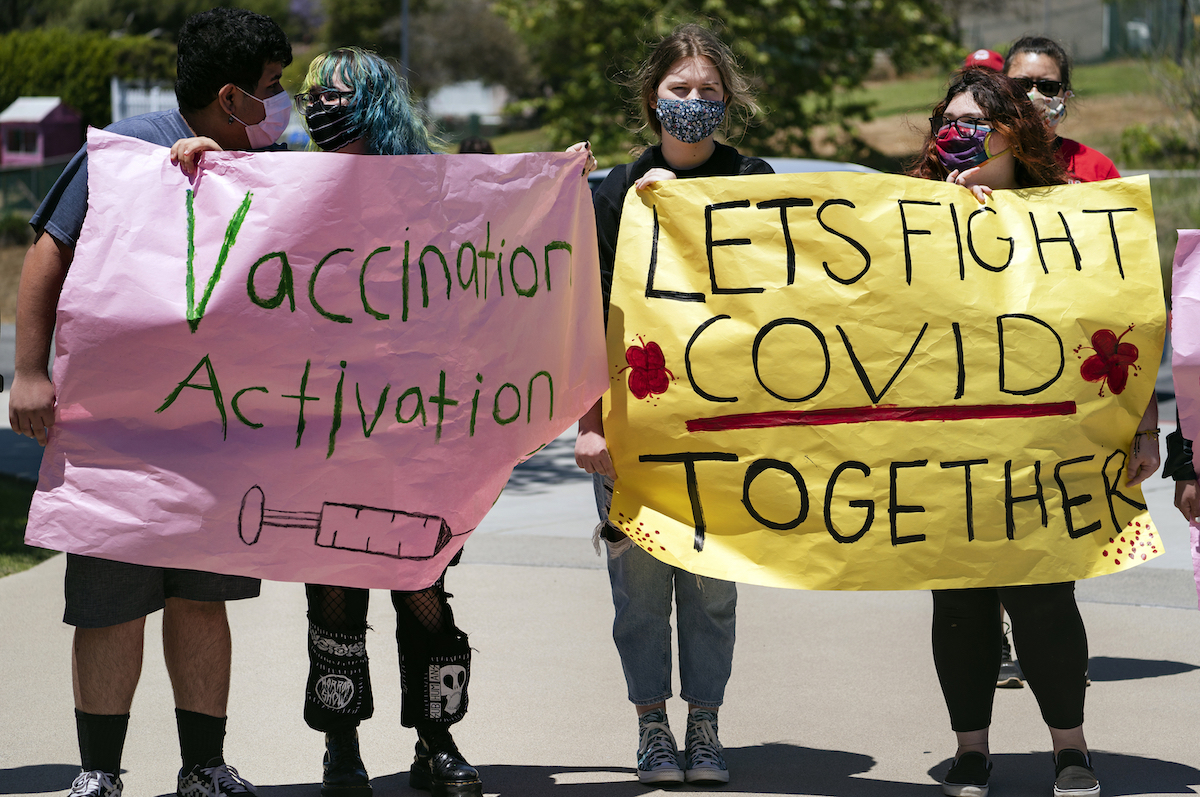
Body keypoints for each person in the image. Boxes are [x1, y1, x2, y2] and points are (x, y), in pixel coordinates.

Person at [174, 47, 595, 797]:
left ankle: (437, 741)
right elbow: (231, 226)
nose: (318, 105)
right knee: (334, 595)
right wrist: (204, 159)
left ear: (371, 101)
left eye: (334, 94)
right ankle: (343, 747)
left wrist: (556, 182)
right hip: (326, 432)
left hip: (419, 438)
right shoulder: (287, 179)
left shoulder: (435, 189)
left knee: (423, 589)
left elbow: (501, 244)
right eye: (311, 95)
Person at [7, 8, 292, 797]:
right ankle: (99, 772)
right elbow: (46, 253)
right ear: (232, 97)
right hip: (116, 436)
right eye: (272, 89)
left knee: (201, 602)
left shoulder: (268, 160)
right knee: (109, 605)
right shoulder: (124, 148)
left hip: (219, 437)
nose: (282, 104)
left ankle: (204, 765)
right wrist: (28, 373)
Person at [910, 66, 1160, 797]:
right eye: (947, 123)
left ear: (1016, 132)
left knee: (1045, 595)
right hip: (945, 447)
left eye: (977, 122)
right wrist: (943, 219)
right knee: (959, 600)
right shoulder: (909, 212)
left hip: (1042, 449)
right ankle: (971, 751)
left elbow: (1126, 319)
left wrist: (1143, 424)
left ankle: (1070, 748)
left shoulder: (1072, 214)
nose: (959, 134)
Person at [575, 23, 772, 787]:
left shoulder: (753, 177)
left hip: (723, 428)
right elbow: (584, 313)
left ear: (728, 102)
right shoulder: (617, 192)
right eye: (679, 91)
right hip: (632, 426)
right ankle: (652, 726)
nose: (693, 103)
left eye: (708, 93)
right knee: (640, 590)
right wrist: (588, 425)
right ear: (651, 99)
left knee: (713, 587)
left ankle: (707, 726)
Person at [1003, 35, 1120, 184]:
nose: (1035, 97)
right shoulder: (979, 163)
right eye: (1020, 85)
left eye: (1048, 87)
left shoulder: (1098, 171)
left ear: (1065, 97)